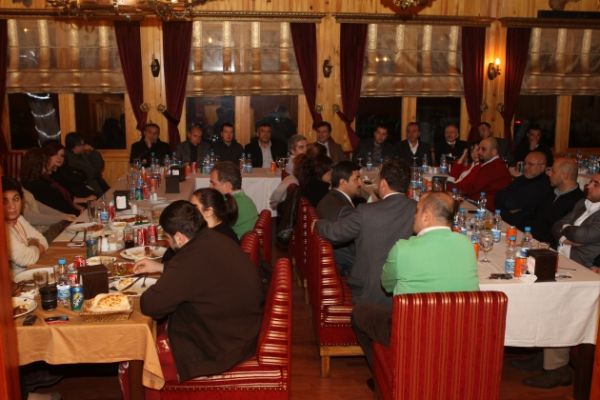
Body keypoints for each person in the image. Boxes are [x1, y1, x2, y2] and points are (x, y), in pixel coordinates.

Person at [136, 200, 263, 381]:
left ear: (179, 237)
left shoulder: (190, 259)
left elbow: (151, 306)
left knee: (141, 351)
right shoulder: (214, 238)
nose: (167, 242)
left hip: (222, 347)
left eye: (167, 237)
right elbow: (200, 274)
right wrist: (164, 268)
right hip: (242, 330)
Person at [352, 192, 479, 372]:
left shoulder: (402, 248)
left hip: (414, 332)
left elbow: (387, 285)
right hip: (457, 331)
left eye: (417, 211)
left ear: (426, 217)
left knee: (360, 312)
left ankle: (385, 374)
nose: (414, 216)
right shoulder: (466, 245)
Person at [519, 173, 600, 389]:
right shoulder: (583, 203)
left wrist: (569, 232)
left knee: (557, 303)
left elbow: (583, 236)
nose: (588, 186)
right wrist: (567, 234)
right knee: (539, 295)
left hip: (584, 268)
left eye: (596, 184)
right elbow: (557, 226)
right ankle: (544, 353)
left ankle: (557, 368)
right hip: (563, 258)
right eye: (590, 181)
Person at [315, 160, 417, 306]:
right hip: (406, 290)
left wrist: (318, 224)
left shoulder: (365, 211)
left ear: (383, 184)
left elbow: (335, 233)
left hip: (367, 292)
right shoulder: (418, 210)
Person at [316, 161, 362, 276]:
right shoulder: (345, 210)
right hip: (344, 267)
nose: (360, 183)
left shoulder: (327, 198)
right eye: (356, 179)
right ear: (342, 182)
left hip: (330, 260)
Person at [21, 147, 92, 215]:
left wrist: (79, 209)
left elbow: (64, 200)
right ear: (38, 165)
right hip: (64, 218)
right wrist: (77, 213)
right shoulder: (37, 185)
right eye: (47, 162)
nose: (49, 164)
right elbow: (56, 208)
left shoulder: (42, 180)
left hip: (70, 213)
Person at [531, 157, 584, 247]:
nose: (549, 174)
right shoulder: (549, 192)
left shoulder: (579, 202)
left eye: (553, 171)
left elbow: (562, 233)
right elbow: (534, 217)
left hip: (551, 248)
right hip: (532, 240)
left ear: (565, 176)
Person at [495, 151, 554, 230]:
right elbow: (498, 196)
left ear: (542, 167)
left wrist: (506, 207)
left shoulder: (544, 184)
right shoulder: (521, 179)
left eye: (530, 164)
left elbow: (511, 204)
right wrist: (509, 208)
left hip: (524, 229)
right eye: (525, 163)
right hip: (506, 222)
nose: (525, 167)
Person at [3, 177, 48, 273]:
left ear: (22, 201)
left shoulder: (19, 219)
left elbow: (44, 241)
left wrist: (31, 249)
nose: (12, 206)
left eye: (16, 199)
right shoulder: (3, 229)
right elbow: (26, 258)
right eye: (5, 201)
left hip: (28, 273)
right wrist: (33, 244)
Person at [453, 137, 512, 211]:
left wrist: (450, 187)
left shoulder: (494, 167)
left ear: (494, 152)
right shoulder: (490, 164)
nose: (479, 152)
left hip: (487, 209)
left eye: (483, 149)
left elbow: (472, 187)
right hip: (478, 203)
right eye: (479, 149)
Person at [209, 161, 258, 239]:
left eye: (213, 184)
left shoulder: (228, 206)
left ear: (228, 186)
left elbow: (209, 233)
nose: (210, 187)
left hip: (233, 244)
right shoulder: (246, 200)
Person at [64, 132, 109, 196]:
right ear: (76, 146)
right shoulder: (71, 160)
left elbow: (101, 165)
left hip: (96, 183)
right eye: (83, 144)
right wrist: (92, 151)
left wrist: (93, 151)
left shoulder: (81, 153)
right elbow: (92, 173)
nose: (85, 146)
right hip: (87, 188)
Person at [270, 135, 307, 208]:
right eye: (301, 147)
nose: (305, 150)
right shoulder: (294, 165)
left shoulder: (297, 161)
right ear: (292, 151)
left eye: (306, 146)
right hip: (301, 200)